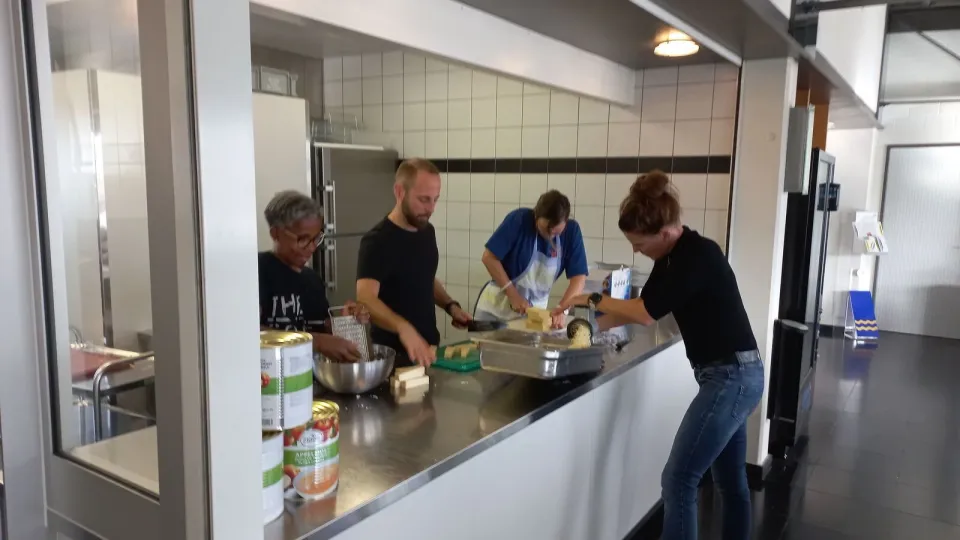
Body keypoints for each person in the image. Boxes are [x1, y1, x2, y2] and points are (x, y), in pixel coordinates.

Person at [562, 171, 764, 540]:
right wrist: (574, 329)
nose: (637, 251)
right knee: (730, 480)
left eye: (640, 244)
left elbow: (643, 313)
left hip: (732, 377)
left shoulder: (697, 255)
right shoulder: (670, 258)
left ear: (666, 233)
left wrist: (590, 297)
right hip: (733, 375)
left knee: (679, 479)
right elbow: (637, 309)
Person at [356, 158, 472, 367]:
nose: (431, 208)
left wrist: (451, 306)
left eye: (435, 199)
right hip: (392, 358)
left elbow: (425, 277)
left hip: (429, 350)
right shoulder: (376, 241)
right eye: (424, 199)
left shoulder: (427, 232)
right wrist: (404, 328)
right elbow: (366, 298)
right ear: (400, 192)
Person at [258, 190, 367, 362]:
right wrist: (316, 342)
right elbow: (249, 332)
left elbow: (322, 330)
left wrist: (345, 322)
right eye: (303, 239)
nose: (312, 247)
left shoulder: (312, 280)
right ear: (275, 233)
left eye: (317, 238)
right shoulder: (256, 272)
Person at [475, 190, 588, 329]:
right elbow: (488, 258)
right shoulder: (519, 220)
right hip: (494, 311)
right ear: (536, 215)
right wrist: (513, 295)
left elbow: (579, 278)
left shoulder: (572, 232)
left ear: (565, 221)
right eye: (546, 229)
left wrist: (563, 309)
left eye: (556, 232)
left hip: (533, 318)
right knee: (482, 343)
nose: (550, 236)